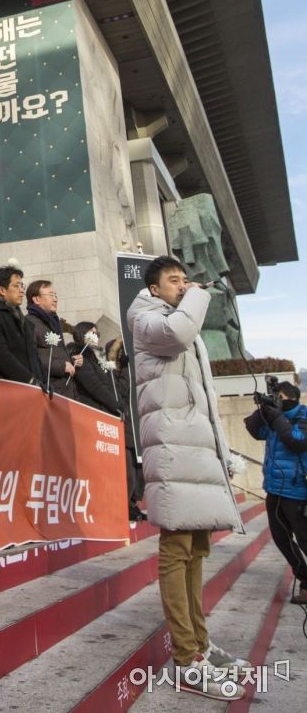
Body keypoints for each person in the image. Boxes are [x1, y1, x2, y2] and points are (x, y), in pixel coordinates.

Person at [128, 255, 248, 700]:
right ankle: (185, 657)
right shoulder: (146, 319)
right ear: (154, 288)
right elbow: (180, 332)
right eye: (173, 281)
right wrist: (196, 295)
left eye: (185, 279)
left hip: (192, 449)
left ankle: (199, 642)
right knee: (177, 549)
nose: (184, 285)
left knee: (196, 549)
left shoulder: (172, 314)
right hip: (173, 449)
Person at [244, 380, 307, 605]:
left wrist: (277, 416)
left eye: (277, 398)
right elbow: (253, 430)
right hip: (274, 490)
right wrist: (263, 409)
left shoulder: (303, 416)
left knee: (304, 539)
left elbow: (297, 442)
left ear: (289, 400)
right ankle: (305, 579)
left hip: (298, 490)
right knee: (281, 539)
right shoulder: (273, 418)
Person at [105, 337, 146, 521]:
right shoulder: (111, 372)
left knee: (139, 470)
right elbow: (121, 390)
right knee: (128, 470)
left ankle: (134, 503)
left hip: (136, 427)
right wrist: (123, 368)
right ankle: (127, 505)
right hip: (122, 427)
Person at [25, 280, 79, 399]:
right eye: (50, 295)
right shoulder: (29, 322)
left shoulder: (54, 322)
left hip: (67, 388)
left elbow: (55, 353)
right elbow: (31, 358)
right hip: (50, 390)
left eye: (55, 295)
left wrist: (71, 359)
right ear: (36, 299)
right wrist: (61, 366)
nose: (55, 299)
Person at [67, 322, 122, 416]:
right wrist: (117, 407)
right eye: (92, 332)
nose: (95, 336)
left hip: (105, 410)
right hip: (91, 411)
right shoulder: (79, 355)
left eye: (97, 334)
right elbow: (95, 386)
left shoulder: (98, 358)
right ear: (81, 334)